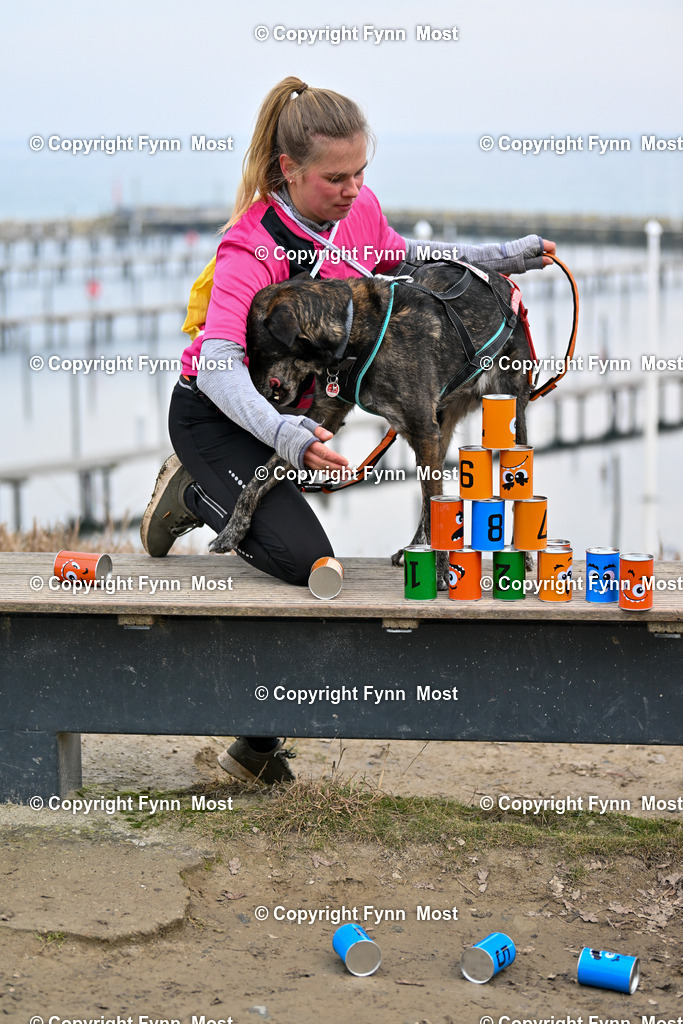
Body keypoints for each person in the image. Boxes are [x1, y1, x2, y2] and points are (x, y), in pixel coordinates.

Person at [140, 75, 556, 785]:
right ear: (288, 171)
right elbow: (215, 368)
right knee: (315, 571)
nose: (353, 188)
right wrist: (289, 438)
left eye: (362, 171)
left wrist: (506, 256)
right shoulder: (249, 249)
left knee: (314, 564)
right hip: (217, 415)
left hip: (288, 419)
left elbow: (408, 257)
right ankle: (192, 493)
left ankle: (251, 748)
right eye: (336, 177)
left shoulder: (357, 214)